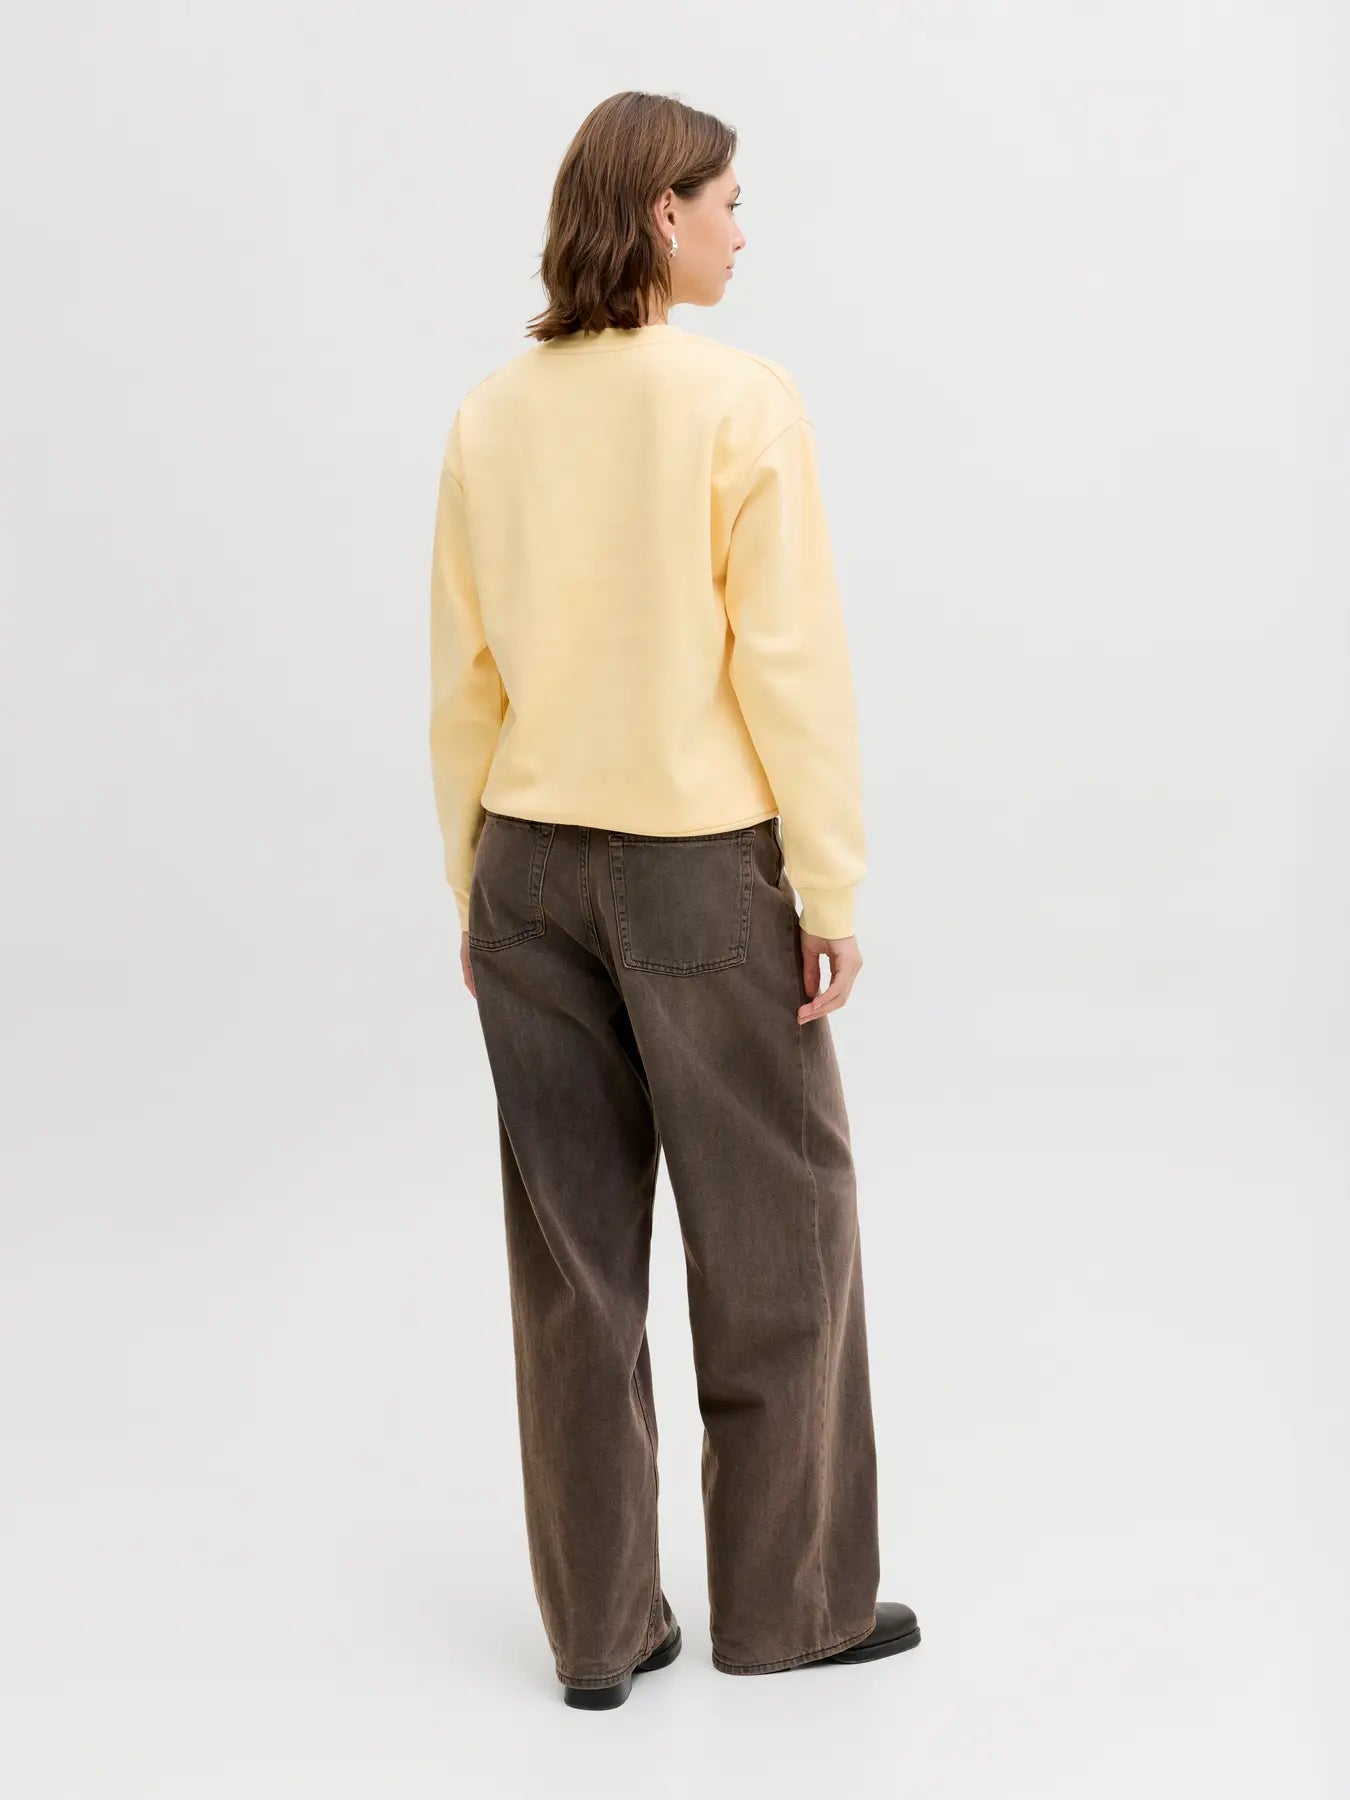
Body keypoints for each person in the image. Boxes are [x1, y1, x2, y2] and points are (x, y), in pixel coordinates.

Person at [428, 89, 920, 1709]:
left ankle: (598, 1633)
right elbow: (788, 662)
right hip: (701, 870)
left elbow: (464, 680)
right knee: (777, 1237)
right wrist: (826, 884)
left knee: (573, 1264)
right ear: (661, 213)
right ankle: (790, 1609)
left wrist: (471, 886)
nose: (738, 231)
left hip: (525, 865)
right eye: (725, 202)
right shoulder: (734, 400)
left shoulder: (492, 414)